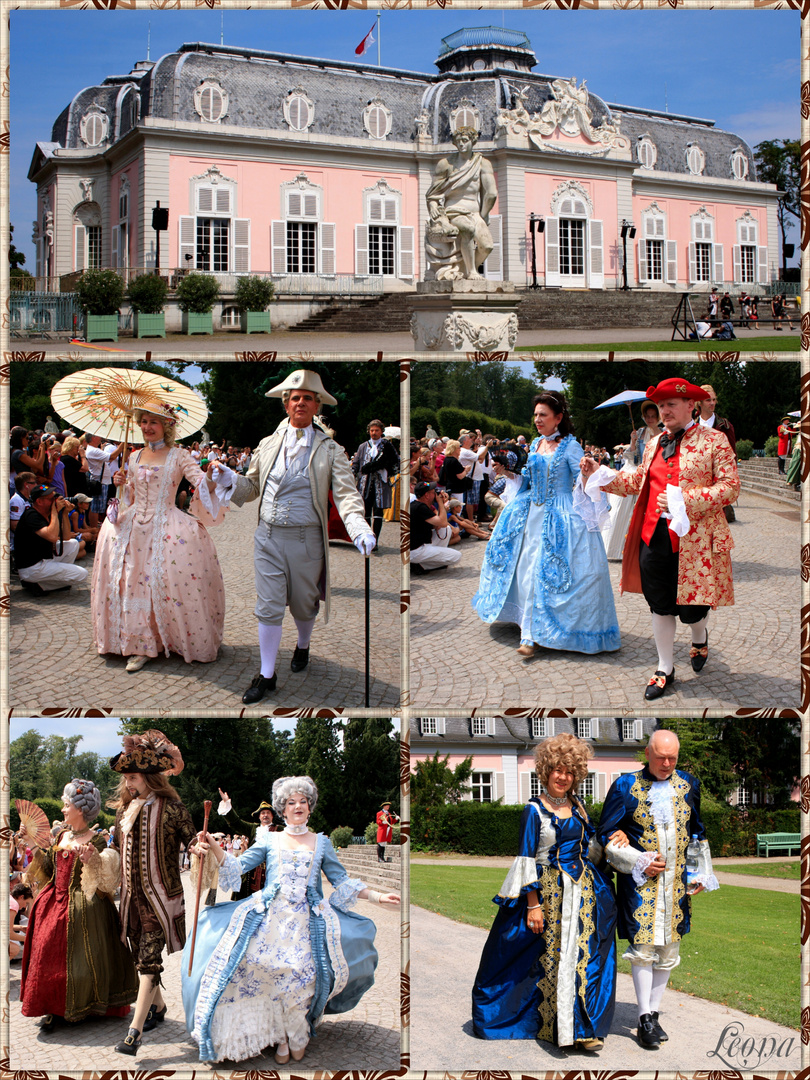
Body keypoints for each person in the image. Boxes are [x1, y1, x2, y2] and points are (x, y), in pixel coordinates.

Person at [182, 775, 400, 1064]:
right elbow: (238, 865)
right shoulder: (269, 839)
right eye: (291, 802)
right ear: (282, 810)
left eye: (303, 801)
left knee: (302, 977)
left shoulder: (322, 843)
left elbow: (341, 881)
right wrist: (211, 842)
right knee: (267, 973)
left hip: (307, 923)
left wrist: (377, 897)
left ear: (310, 808)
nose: (297, 806)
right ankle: (281, 1037)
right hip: (269, 919)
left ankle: (297, 1032)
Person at [216, 370, 375, 705]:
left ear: (316, 405)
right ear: (286, 404)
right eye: (294, 397)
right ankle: (267, 674)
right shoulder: (267, 444)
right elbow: (252, 488)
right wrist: (230, 478)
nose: (300, 402)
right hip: (268, 538)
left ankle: (303, 645)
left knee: (304, 604)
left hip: (307, 540)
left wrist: (358, 526)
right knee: (269, 607)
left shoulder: (331, 450)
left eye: (307, 397)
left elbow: (346, 494)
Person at [581, 379, 739, 699]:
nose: (663, 411)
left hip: (696, 541)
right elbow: (638, 480)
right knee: (660, 605)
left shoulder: (715, 440)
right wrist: (599, 474)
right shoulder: (654, 443)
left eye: (670, 404)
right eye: (660, 405)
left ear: (690, 406)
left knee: (693, 609)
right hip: (654, 536)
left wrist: (687, 498)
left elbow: (730, 487)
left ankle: (699, 636)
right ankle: (664, 667)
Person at [472, 734, 626, 1050]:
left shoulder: (579, 807)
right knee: (543, 960)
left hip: (584, 895)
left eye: (569, 772)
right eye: (557, 769)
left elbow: (592, 847)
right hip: (548, 895)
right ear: (545, 771)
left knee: (583, 959)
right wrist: (532, 905)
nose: (563, 777)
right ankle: (552, 1026)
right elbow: (526, 859)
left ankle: (582, 1029)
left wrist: (616, 837)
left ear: (576, 775)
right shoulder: (534, 810)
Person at [472, 390, 621, 658]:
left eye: (543, 415)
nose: (538, 419)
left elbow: (582, 480)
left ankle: (533, 635)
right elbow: (528, 480)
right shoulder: (536, 443)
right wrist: (507, 472)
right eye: (536, 414)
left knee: (551, 573)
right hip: (531, 514)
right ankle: (528, 629)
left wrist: (588, 472)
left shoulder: (570, 446)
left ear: (558, 417)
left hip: (561, 515)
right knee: (526, 569)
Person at [597, 729, 718, 1049]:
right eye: (661, 756)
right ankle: (644, 1017)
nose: (667, 763)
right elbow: (605, 833)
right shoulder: (625, 786)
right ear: (647, 753)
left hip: (676, 885)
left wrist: (701, 873)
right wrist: (638, 859)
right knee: (644, 950)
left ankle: (652, 1015)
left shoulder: (689, 784)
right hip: (641, 885)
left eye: (673, 758)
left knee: (669, 950)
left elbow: (697, 830)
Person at [91, 401, 228, 673]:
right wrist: (121, 483)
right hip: (133, 526)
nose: (146, 427)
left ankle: (171, 638)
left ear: (167, 426)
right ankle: (136, 643)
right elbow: (129, 496)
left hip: (166, 524)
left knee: (164, 582)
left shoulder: (179, 455)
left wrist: (212, 475)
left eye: (153, 422)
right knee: (130, 581)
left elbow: (201, 484)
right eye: (143, 421)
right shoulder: (133, 456)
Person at [108, 729, 201, 1056]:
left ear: (149, 776)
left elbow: (193, 842)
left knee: (148, 960)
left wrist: (200, 848)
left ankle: (134, 1033)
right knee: (140, 960)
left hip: (161, 901)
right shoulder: (123, 812)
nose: (129, 783)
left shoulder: (173, 809)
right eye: (127, 777)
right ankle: (158, 1008)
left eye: (133, 777)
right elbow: (115, 851)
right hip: (131, 902)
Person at [19, 779, 138, 1031]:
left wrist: (90, 860)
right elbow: (49, 869)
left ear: (80, 809)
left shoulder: (96, 841)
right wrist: (30, 842)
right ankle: (52, 1007)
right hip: (53, 901)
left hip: (85, 905)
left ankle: (82, 1004)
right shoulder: (61, 835)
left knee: (82, 960)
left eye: (66, 805)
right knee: (47, 954)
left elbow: (104, 880)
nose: (63, 809)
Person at [425, 126, 496, 280]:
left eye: (465, 140)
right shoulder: (446, 164)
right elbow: (432, 194)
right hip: (454, 210)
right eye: (458, 142)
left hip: (475, 212)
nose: (461, 144)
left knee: (487, 246)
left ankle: (464, 269)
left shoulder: (483, 163)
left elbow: (491, 193)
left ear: (473, 141)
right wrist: (433, 207)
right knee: (468, 229)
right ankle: (471, 272)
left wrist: (483, 215)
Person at [603, 400, 662, 562]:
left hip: (654, 474)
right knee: (622, 508)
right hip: (636, 472)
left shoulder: (664, 434)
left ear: (658, 417)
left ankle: (641, 549)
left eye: (653, 416)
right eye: (647, 416)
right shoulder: (640, 432)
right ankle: (619, 549)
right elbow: (632, 457)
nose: (650, 419)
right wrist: (634, 442)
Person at [14, 484, 89, 594]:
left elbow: (67, 537)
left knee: (73, 544)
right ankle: (41, 585)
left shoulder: (48, 514)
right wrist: (55, 511)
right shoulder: (31, 515)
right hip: (32, 567)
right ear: (39, 502)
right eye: (51, 499)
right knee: (82, 574)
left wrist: (64, 513)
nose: (55, 501)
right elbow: (53, 537)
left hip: (43, 559)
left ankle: (43, 583)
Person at [216, 790, 276, 898]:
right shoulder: (253, 828)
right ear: (259, 816)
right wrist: (227, 805)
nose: (265, 815)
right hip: (252, 872)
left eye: (268, 813)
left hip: (271, 871)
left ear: (272, 816)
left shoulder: (280, 830)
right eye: (263, 813)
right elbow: (237, 823)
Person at [352, 419, 400, 551]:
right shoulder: (363, 446)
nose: (374, 433)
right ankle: (367, 539)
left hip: (381, 484)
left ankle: (376, 540)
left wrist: (386, 468)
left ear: (381, 432)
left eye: (376, 430)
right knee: (366, 513)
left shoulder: (387, 446)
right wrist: (352, 473)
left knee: (378, 513)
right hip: (365, 484)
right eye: (372, 430)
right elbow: (356, 463)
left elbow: (396, 463)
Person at [698, 383, 737, 522]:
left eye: (714, 400)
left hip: (717, 480)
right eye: (708, 400)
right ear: (700, 403)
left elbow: (732, 455)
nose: (712, 403)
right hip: (696, 480)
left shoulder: (725, 426)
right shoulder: (691, 425)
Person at [410, 481, 462, 573]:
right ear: (426, 495)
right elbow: (443, 522)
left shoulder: (420, 505)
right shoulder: (420, 507)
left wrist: (442, 502)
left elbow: (440, 524)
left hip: (420, 545)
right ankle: (422, 565)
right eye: (433, 492)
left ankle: (424, 563)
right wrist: (440, 502)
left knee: (446, 529)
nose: (436, 494)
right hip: (416, 550)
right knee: (457, 556)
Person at [9, 883, 32, 960]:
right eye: (26, 903)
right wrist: (28, 939)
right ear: (21, 897)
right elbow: (8, 933)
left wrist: (20, 928)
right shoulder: (13, 904)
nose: (25, 907)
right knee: (14, 949)